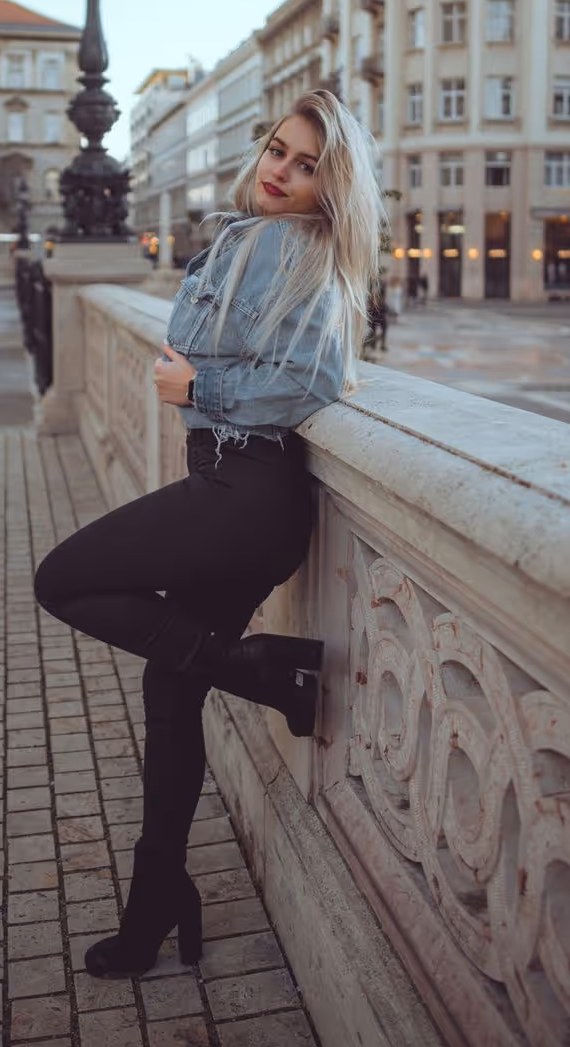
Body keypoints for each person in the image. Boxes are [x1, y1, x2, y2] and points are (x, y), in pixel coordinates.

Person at [34, 90, 384, 979]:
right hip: (227, 489)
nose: (281, 170)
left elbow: (311, 381)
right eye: (278, 149)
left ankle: (267, 670)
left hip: (249, 496)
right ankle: (158, 900)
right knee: (169, 692)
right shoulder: (238, 237)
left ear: (331, 186)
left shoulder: (310, 254)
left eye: (308, 165)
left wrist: (200, 392)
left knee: (63, 581)